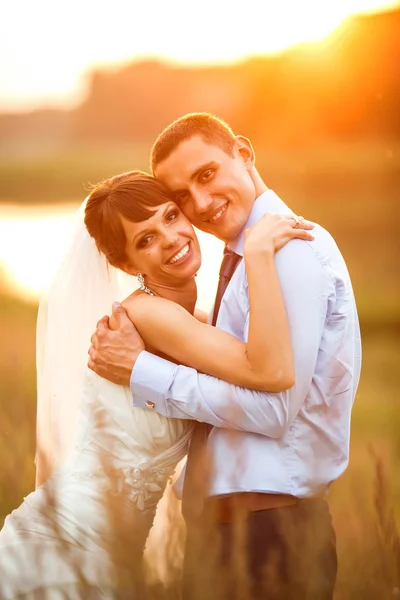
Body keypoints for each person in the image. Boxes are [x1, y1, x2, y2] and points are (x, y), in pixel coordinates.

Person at [0, 171, 311, 600]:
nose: (169, 237)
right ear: (127, 266)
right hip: (73, 538)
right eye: (145, 239)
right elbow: (268, 371)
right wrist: (257, 254)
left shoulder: (192, 322)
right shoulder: (148, 316)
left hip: (112, 545)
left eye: (171, 216)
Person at [89, 114, 362, 600]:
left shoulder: (289, 250)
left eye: (207, 174)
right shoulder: (241, 259)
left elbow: (275, 407)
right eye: (182, 197)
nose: (200, 204)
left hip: (270, 531)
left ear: (244, 153)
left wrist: (143, 372)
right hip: (225, 531)